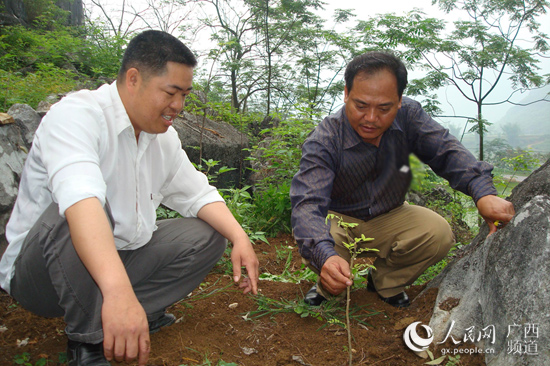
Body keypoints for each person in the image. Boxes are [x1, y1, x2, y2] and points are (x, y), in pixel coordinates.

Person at [0, 30, 259, 366]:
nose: (178, 106)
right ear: (134, 79)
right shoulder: (76, 116)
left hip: (115, 260)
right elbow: (81, 200)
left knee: (209, 234)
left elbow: (197, 193)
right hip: (43, 277)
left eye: (185, 95)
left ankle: (134, 311)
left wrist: (240, 236)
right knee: (78, 209)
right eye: (170, 92)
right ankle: (89, 340)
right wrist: (118, 291)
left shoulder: (160, 137)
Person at [290, 51, 515, 308]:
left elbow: (446, 151)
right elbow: (307, 204)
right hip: (338, 221)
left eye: (384, 108)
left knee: (438, 233)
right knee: (324, 248)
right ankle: (327, 287)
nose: (371, 118)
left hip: (391, 214)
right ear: (346, 94)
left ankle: (385, 281)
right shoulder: (325, 139)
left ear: (398, 102)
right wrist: (325, 255)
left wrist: (483, 192)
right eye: (361, 105)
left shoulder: (409, 116)